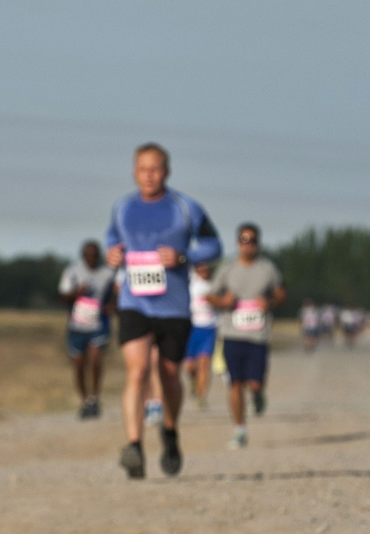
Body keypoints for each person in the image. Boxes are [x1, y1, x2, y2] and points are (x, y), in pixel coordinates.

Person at [105, 142, 222, 479]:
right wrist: (112, 254)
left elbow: (214, 245)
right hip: (134, 302)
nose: (149, 175)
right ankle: (134, 446)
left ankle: (170, 433)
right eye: (143, 169)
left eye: (155, 169)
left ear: (167, 172)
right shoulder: (123, 208)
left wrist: (185, 257)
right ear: (133, 171)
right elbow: (111, 240)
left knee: (169, 375)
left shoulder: (186, 208)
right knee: (138, 371)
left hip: (173, 307)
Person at [206, 223, 285, 449]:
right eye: (244, 239)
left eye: (253, 240)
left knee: (254, 383)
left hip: (258, 336)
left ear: (258, 243)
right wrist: (223, 302)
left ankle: (258, 395)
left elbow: (281, 293)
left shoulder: (267, 269)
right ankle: (240, 429)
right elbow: (210, 296)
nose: (248, 245)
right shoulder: (227, 269)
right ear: (237, 242)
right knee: (235, 383)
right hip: (232, 334)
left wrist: (269, 302)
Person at [57, 240, 115, 419]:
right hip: (77, 326)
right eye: (88, 255)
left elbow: (116, 294)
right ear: (83, 256)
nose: (91, 258)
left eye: (95, 255)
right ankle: (85, 400)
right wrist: (76, 293)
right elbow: (62, 295)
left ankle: (94, 397)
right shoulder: (72, 272)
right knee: (79, 364)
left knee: (95, 360)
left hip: (98, 325)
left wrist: (111, 306)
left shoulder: (108, 273)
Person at [184, 262, 218, 409]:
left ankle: (202, 396)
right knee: (190, 367)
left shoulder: (215, 285)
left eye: (206, 266)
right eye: (201, 266)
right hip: (191, 328)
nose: (204, 269)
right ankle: (194, 381)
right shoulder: (190, 283)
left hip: (209, 328)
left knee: (204, 363)